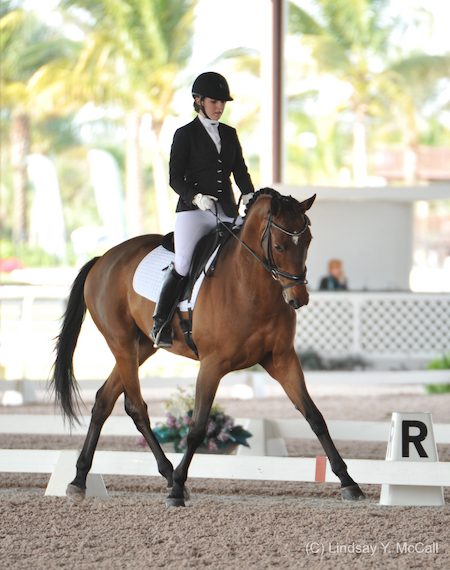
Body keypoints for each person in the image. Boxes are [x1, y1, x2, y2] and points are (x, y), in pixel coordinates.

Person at [151, 71, 255, 348]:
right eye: (214, 101)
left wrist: (250, 194)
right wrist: (195, 197)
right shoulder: (185, 134)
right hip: (194, 211)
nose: (219, 107)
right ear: (198, 100)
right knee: (184, 263)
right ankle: (160, 323)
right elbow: (174, 177)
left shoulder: (229, 134)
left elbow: (240, 171)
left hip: (227, 211)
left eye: (223, 102)